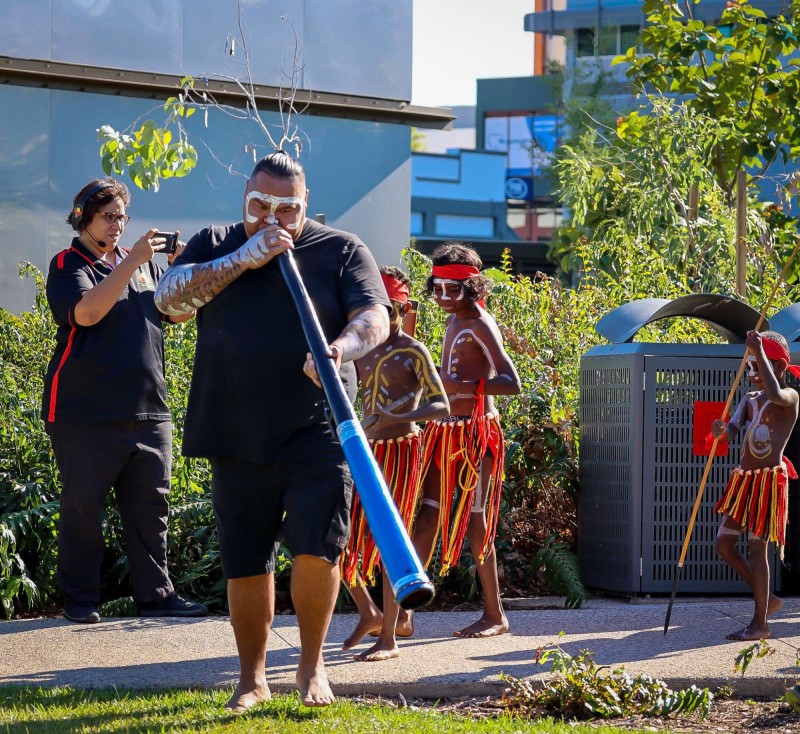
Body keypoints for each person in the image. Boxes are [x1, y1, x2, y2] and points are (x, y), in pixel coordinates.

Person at [153, 151, 390, 710]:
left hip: (319, 425)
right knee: (246, 558)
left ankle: (312, 668)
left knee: (318, 549)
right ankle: (251, 679)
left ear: (305, 204)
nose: (271, 217)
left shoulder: (342, 248)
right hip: (235, 427)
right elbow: (170, 299)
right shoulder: (217, 239)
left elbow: (374, 317)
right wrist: (245, 256)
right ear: (245, 198)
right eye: (259, 205)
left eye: (287, 209)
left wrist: (341, 349)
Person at [42, 177, 208, 625]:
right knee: (82, 507)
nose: (117, 225)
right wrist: (132, 258)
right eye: (107, 216)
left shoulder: (144, 268)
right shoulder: (68, 262)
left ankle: (156, 596)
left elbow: (178, 313)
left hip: (149, 408)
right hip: (84, 412)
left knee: (151, 508)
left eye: (122, 216)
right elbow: (87, 313)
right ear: (83, 217)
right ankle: (80, 600)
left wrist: (180, 270)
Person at [400, 242, 521, 639]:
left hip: (475, 435)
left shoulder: (479, 322)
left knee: (476, 521)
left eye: (452, 290)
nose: (443, 297)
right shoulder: (455, 319)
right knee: (428, 516)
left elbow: (512, 382)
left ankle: (495, 614)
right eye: (438, 288)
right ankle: (404, 612)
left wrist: (462, 384)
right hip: (445, 431)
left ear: (471, 287)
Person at [341, 266, 449, 661]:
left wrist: (398, 418)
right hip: (364, 451)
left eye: (390, 309)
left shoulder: (412, 351)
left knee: (392, 542)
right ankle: (370, 612)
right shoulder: (360, 347)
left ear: (402, 310)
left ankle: (389, 637)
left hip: (402, 451)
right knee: (338, 537)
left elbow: (441, 406)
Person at [710, 329, 799, 641]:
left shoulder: (789, 398)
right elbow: (732, 432)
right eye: (749, 367)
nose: (752, 372)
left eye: (758, 366)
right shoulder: (748, 400)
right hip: (744, 482)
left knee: (756, 547)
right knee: (723, 542)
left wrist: (759, 351)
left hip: (768, 483)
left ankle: (760, 624)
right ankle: (769, 601)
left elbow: (776, 395)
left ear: (780, 368)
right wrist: (721, 431)